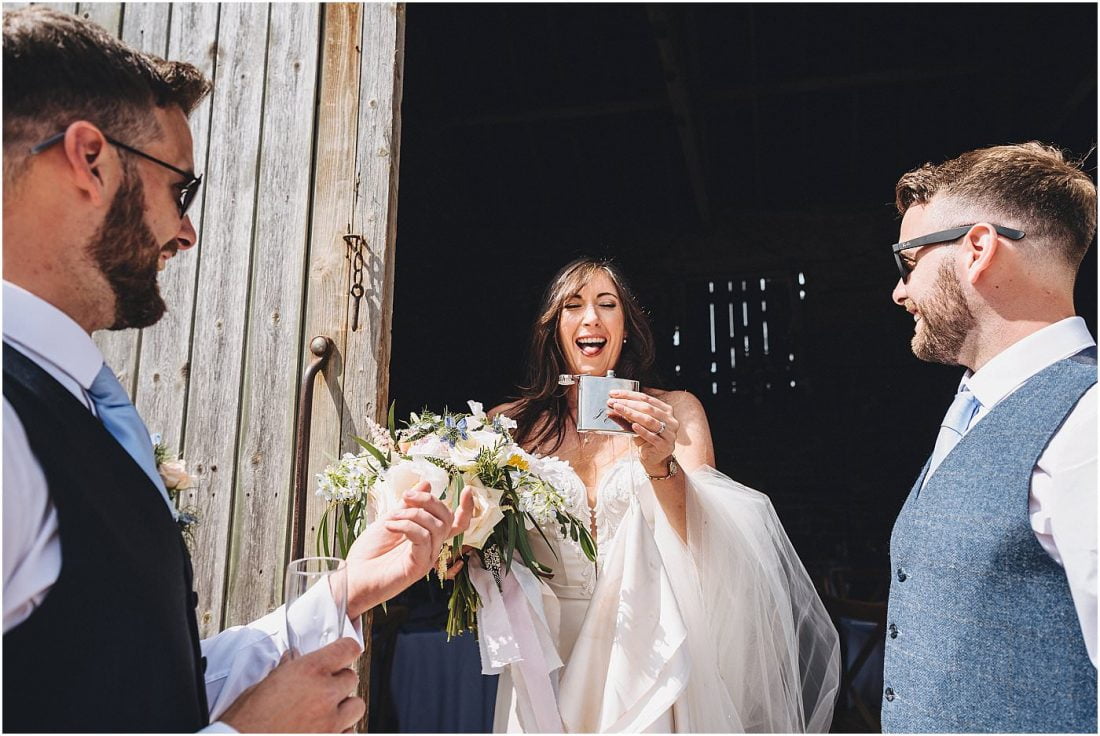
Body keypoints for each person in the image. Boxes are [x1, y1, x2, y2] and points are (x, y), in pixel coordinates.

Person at [1, 7, 472, 732]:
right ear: (89, 160)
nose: (186, 231)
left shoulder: (68, 398)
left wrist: (348, 587)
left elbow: (127, 683)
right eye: (178, 188)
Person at [487, 257, 840, 732]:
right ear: (553, 328)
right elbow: (480, 536)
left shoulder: (676, 411)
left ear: (626, 327)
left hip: (645, 649)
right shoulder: (508, 424)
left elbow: (704, 537)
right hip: (544, 649)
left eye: (606, 304)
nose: (590, 317)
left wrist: (660, 461)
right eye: (574, 305)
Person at [883, 142, 1097, 732]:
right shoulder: (975, 405)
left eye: (908, 261)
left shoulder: (1089, 422)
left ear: (977, 249)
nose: (900, 292)